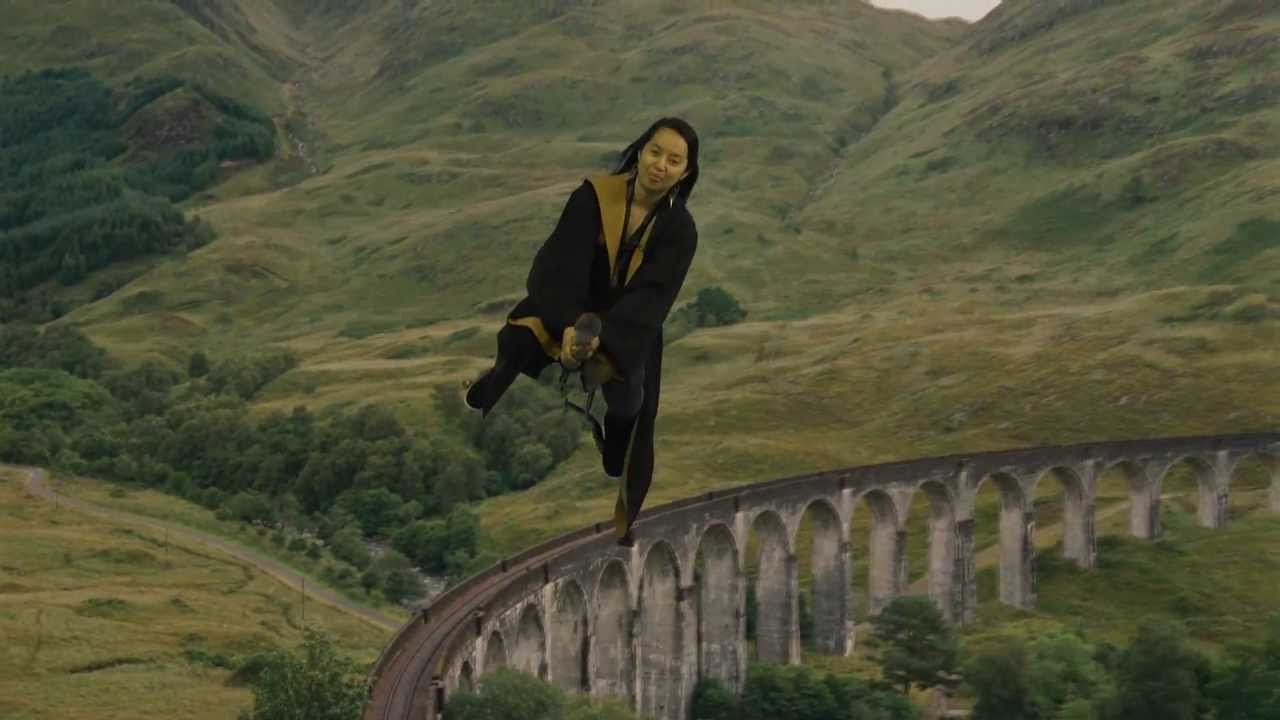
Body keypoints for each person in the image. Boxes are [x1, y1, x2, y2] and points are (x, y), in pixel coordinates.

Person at [463, 117, 700, 545]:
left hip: (628, 326)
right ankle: (486, 392)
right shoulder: (593, 196)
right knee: (520, 336)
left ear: (685, 172)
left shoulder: (680, 230)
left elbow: (652, 296)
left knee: (631, 397)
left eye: (674, 160)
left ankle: (616, 440)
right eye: (655, 152)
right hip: (571, 307)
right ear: (640, 151)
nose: (660, 165)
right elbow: (559, 264)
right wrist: (571, 324)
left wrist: (603, 338)